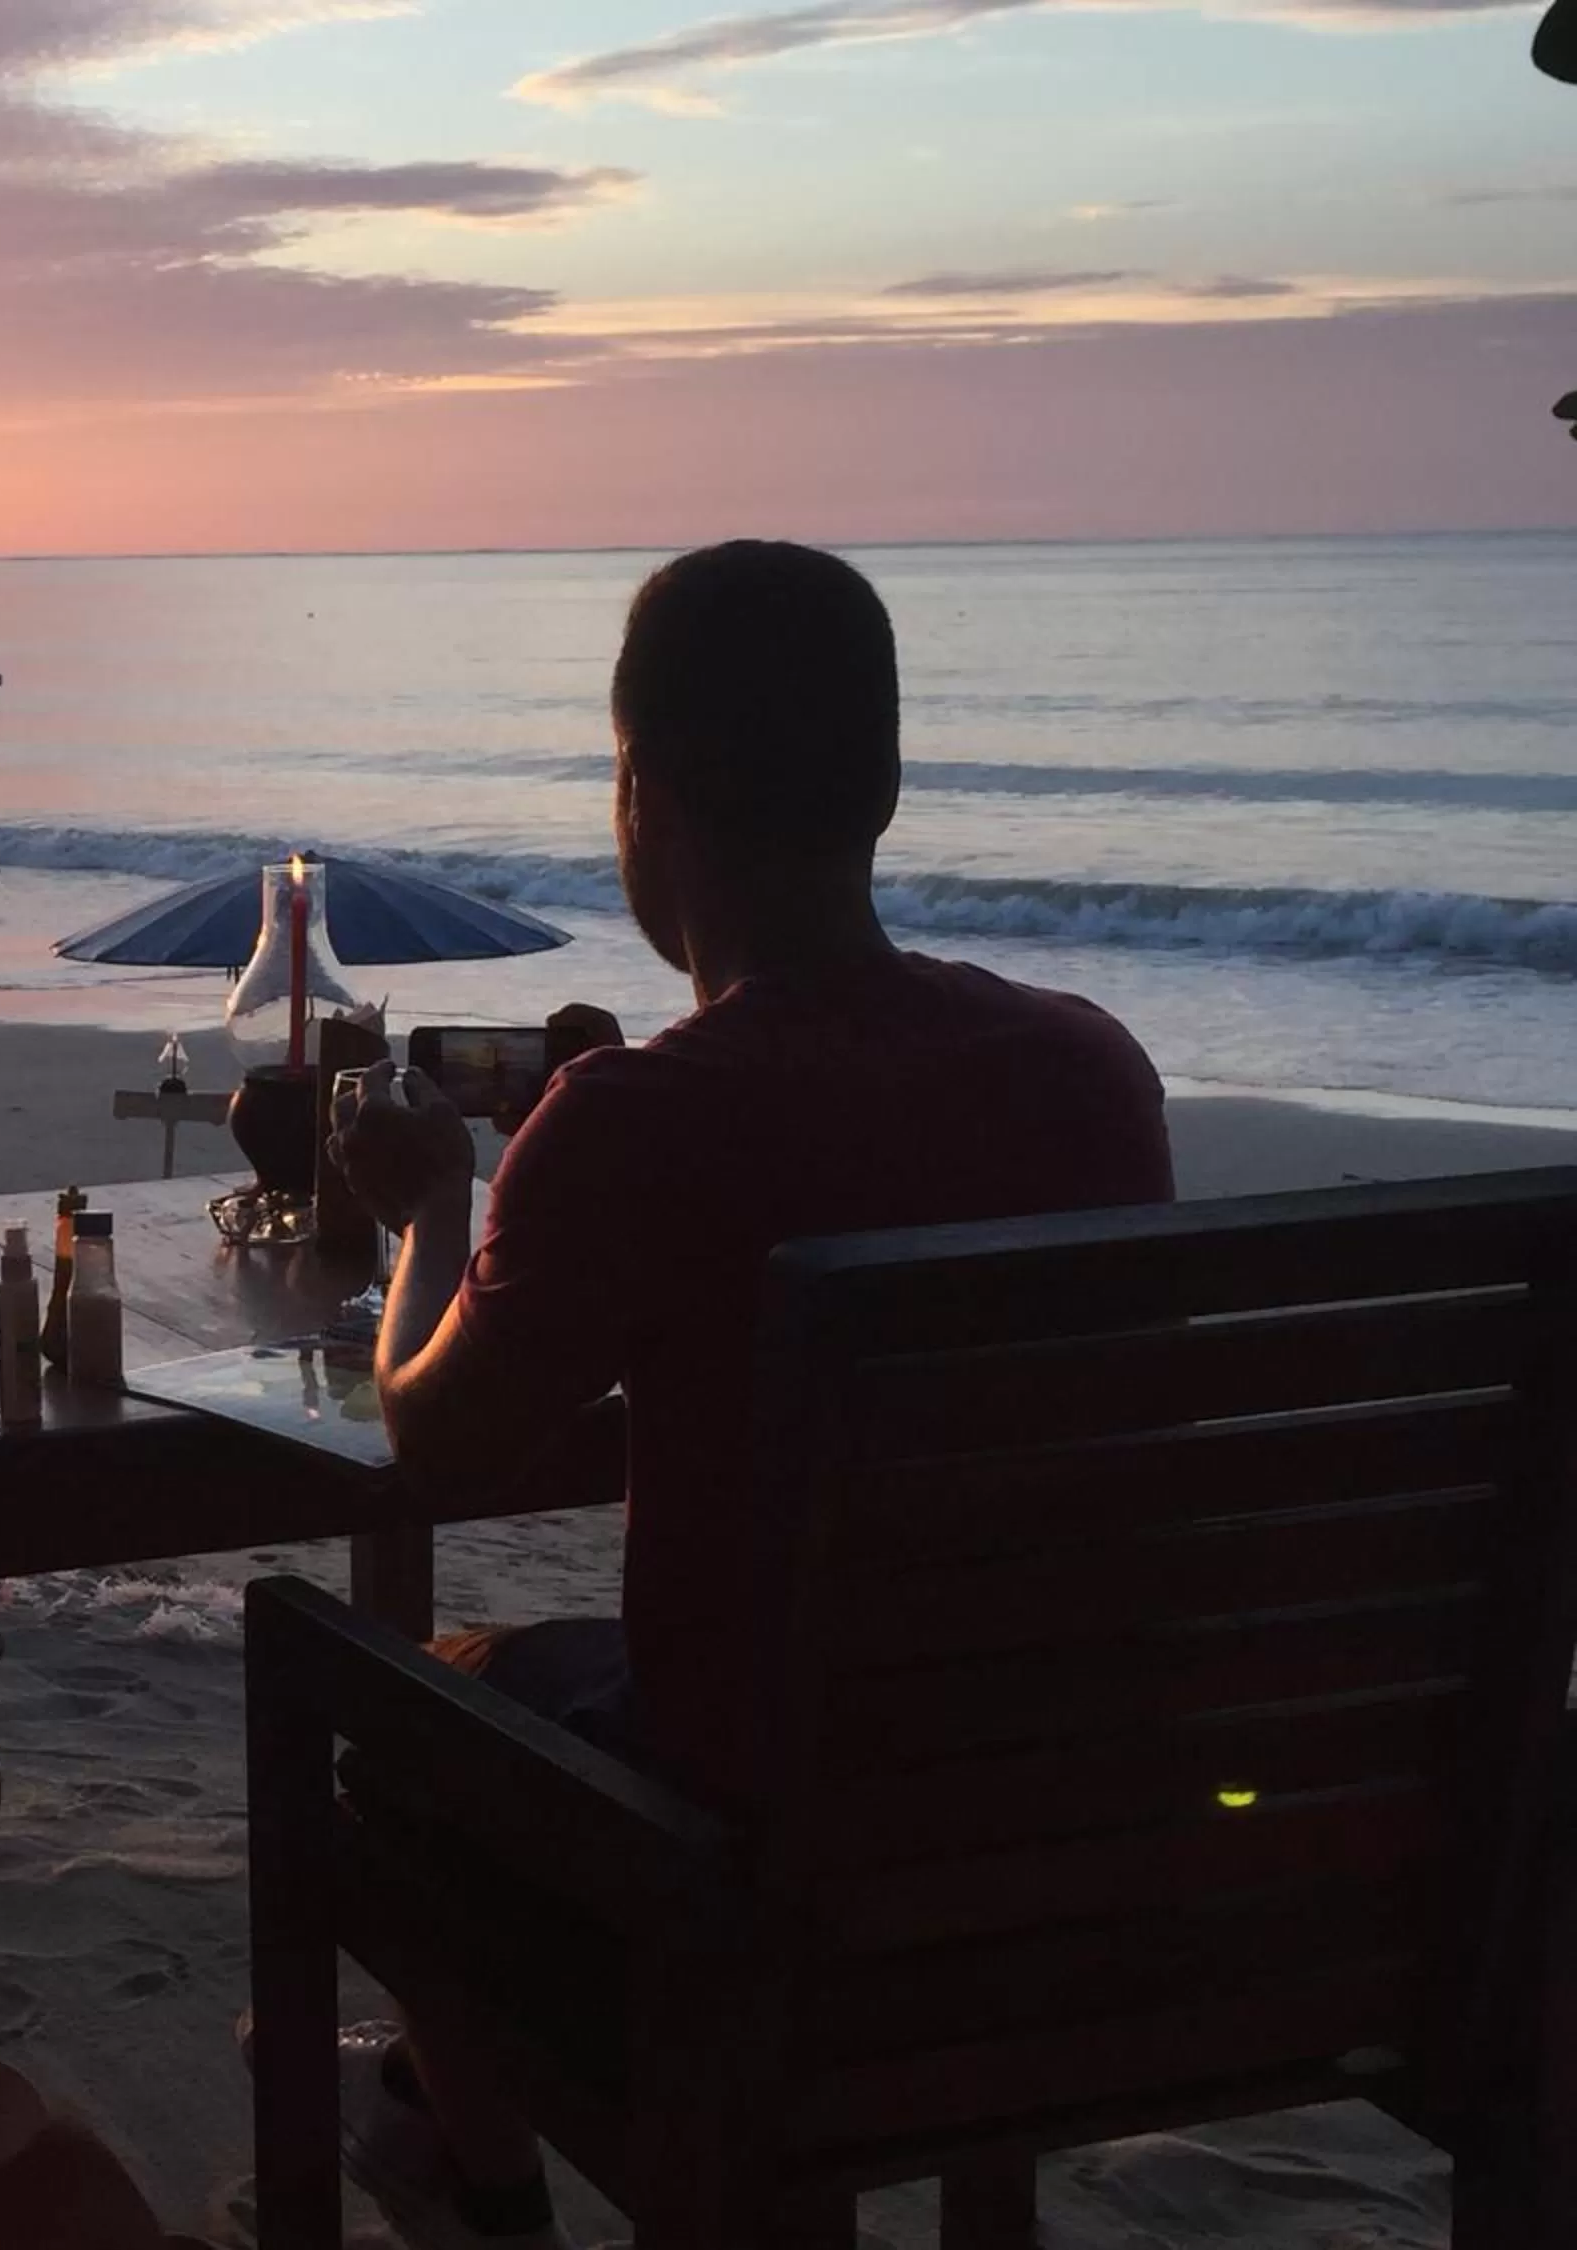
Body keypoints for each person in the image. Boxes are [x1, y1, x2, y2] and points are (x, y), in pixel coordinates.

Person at [320, 542, 1173, 2249]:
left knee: (390, 1723)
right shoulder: (1089, 1070)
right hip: (1048, 1828)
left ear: (643, 794)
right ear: (886, 786)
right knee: (554, 1676)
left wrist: (431, 1216)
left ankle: (486, 2184)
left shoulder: (642, 1118)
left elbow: (438, 1435)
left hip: (756, 1858)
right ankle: (439, 2119)